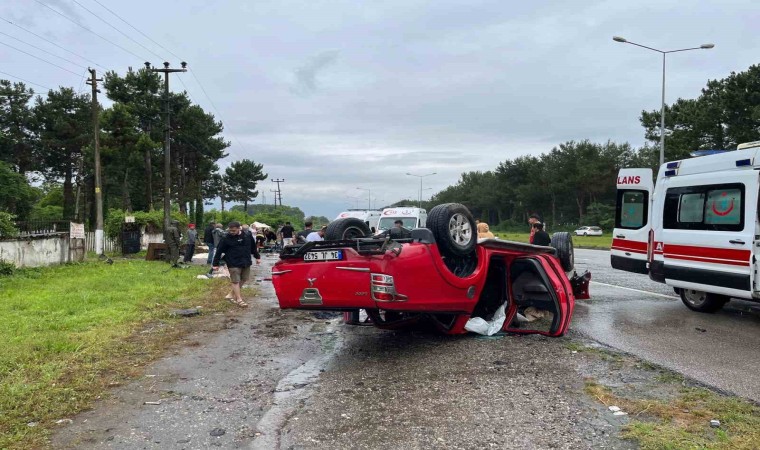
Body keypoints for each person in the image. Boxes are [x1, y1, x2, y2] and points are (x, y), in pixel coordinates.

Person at [213, 221, 261, 307]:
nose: (231, 232)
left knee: (244, 278)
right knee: (235, 281)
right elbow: (219, 251)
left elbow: (253, 247)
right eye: (230, 230)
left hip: (245, 260)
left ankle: (230, 294)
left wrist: (257, 257)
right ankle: (239, 299)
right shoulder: (225, 238)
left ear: (239, 229)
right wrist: (215, 264)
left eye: (234, 230)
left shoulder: (247, 235)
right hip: (232, 261)